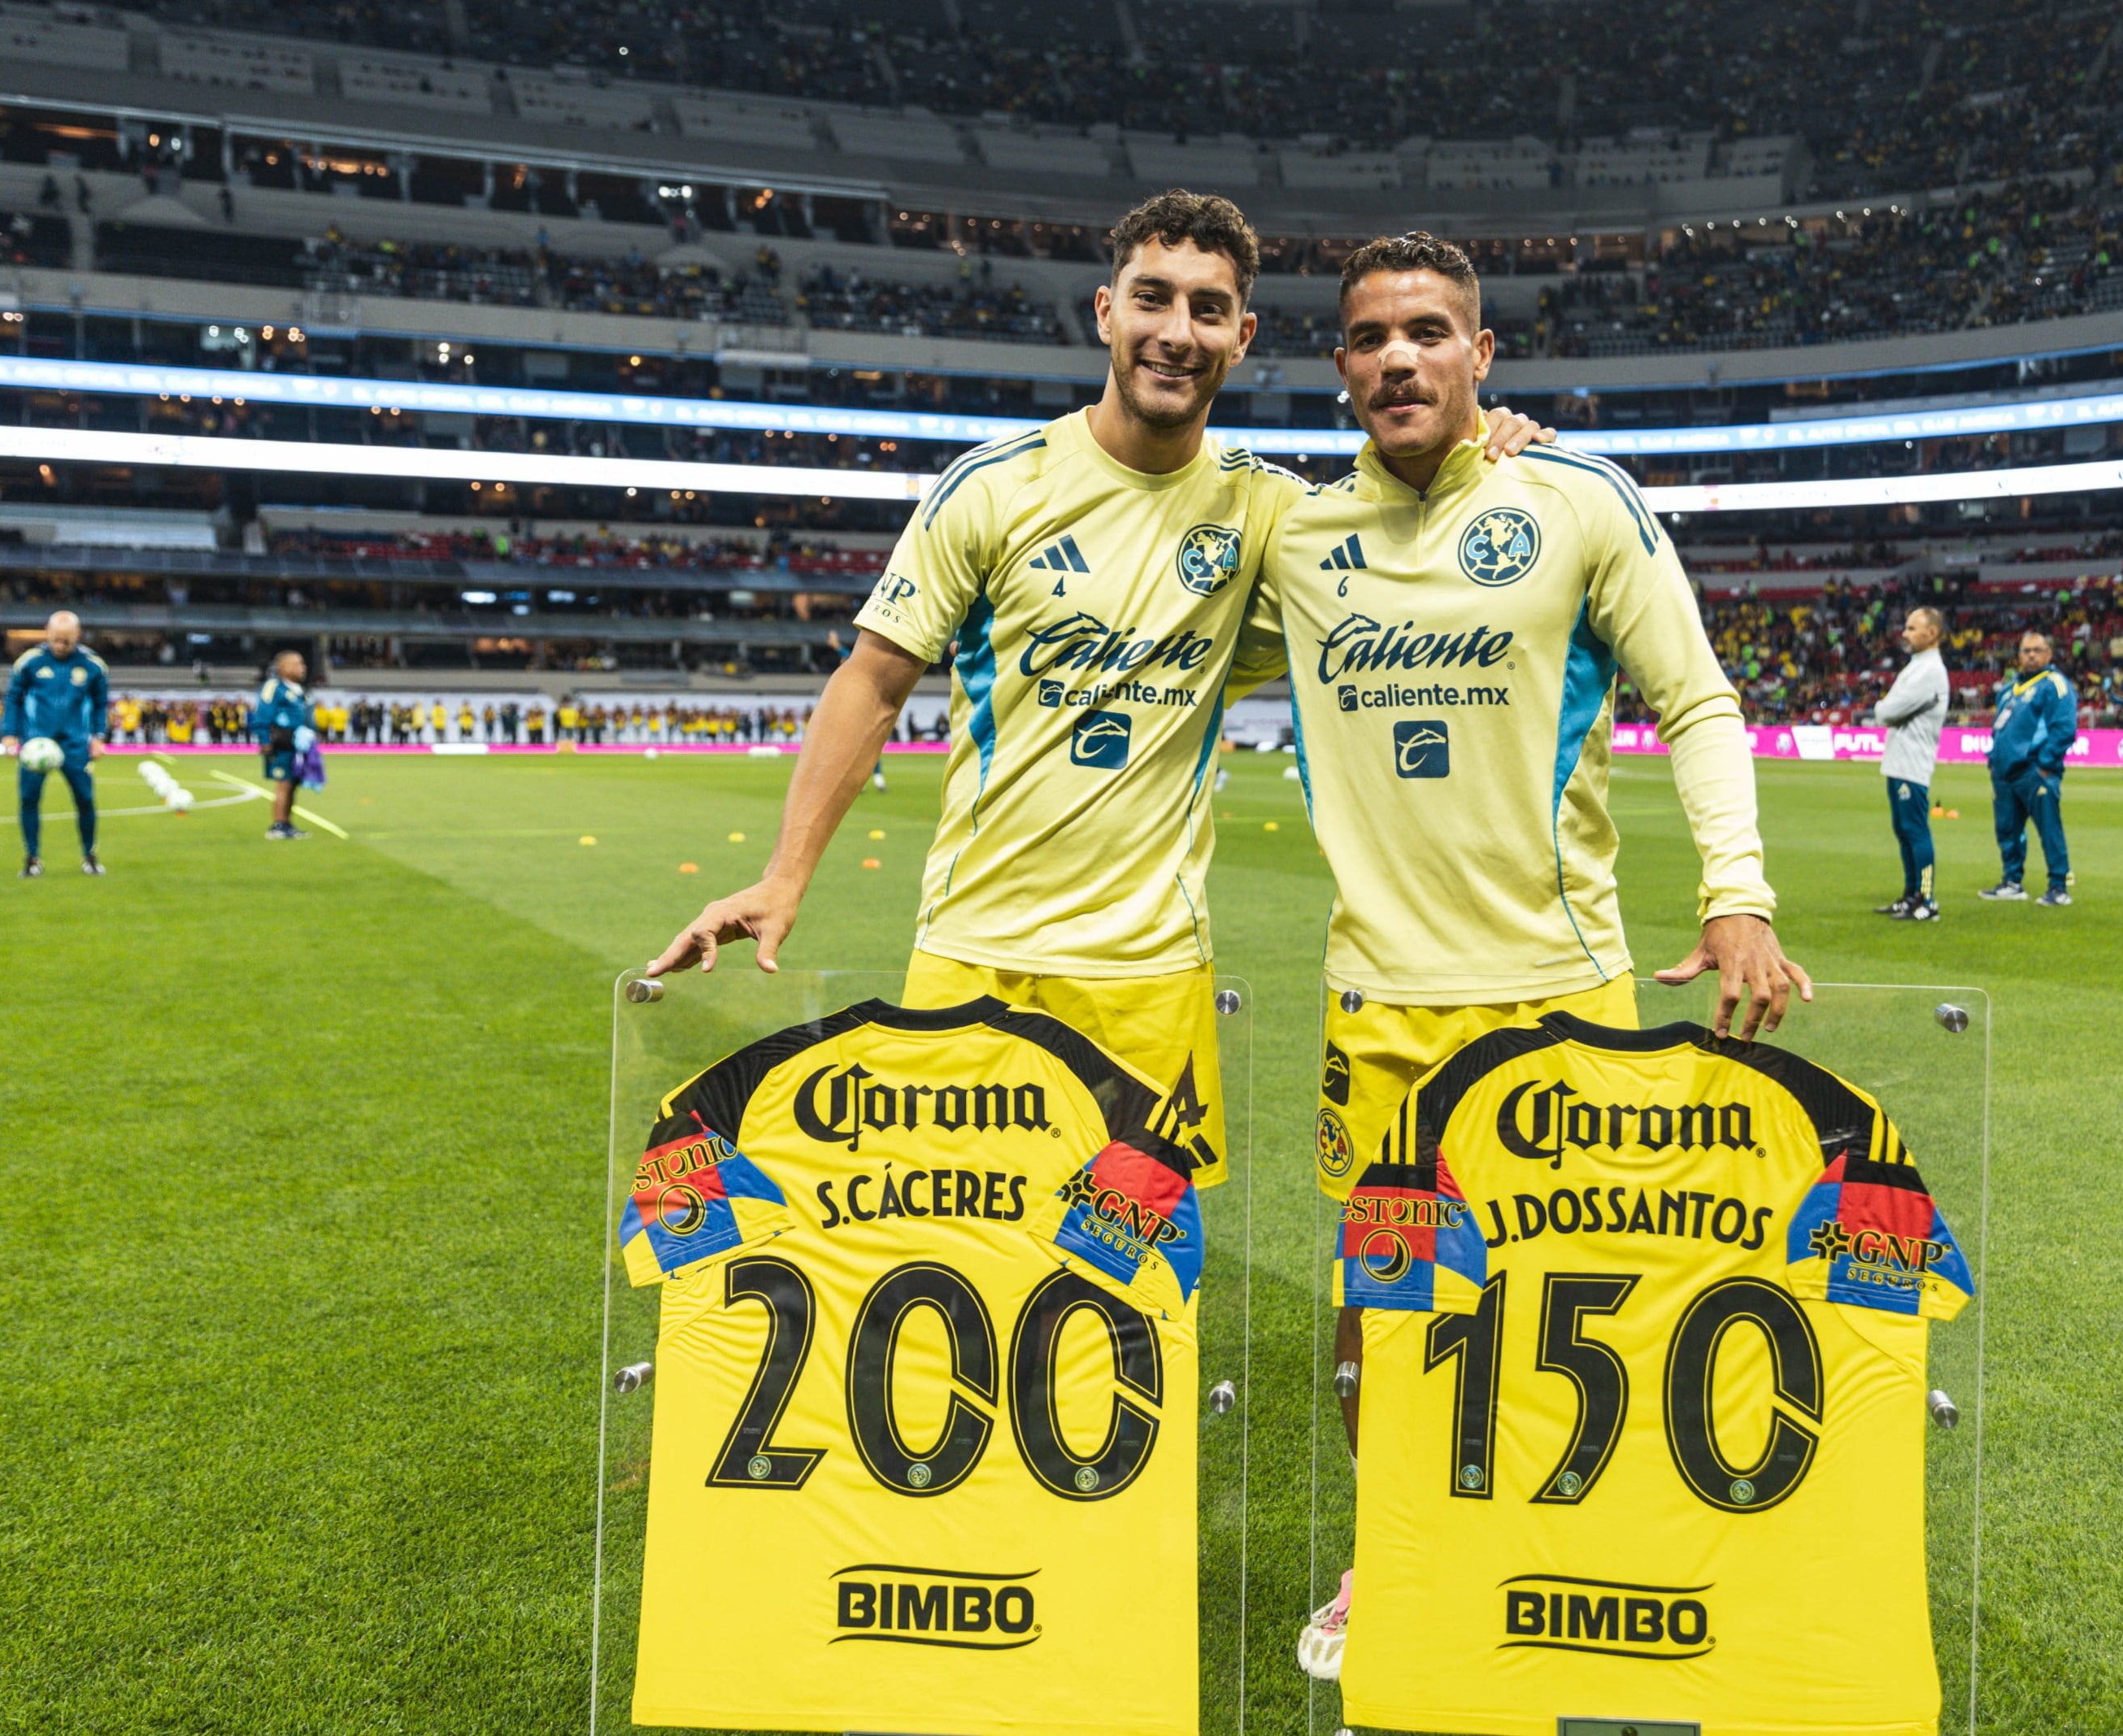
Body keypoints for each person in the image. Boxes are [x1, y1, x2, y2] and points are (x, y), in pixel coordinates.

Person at [646, 191, 1547, 1173]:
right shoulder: (996, 487)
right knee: (960, 1264)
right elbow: (874, 679)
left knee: (1141, 1288)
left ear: (1241, 335)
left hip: (1152, 977)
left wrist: (1481, 449)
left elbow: (1412, 551)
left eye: (1207, 310)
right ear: (1105, 311)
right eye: (1152, 299)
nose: (1176, 332)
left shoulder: (1274, 514)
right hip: (975, 951)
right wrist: (784, 876)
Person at [1248, 230, 1809, 1682]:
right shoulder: (1293, 541)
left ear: (1482, 355)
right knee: (1380, 1325)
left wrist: (1736, 893)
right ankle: (1397, 1553)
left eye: (1430, 331)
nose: (1398, 358)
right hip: (1380, 1015)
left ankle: (1574, 1548)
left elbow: (1696, 700)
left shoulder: (1574, 500)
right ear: (1339, 371)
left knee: (1581, 1304)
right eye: (1371, 338)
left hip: (1566, 999)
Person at [3, 610, 111, 878]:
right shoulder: (30, 662)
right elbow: (13, 698)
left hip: (75, 746)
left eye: (67, 641)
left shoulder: (93, 665)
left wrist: (98, 736)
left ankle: (89, 856)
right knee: (29, 799)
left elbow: (100, 704)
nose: (60, 646)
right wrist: (9, 734)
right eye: (55, 640)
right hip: (36, 745)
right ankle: (32, 858)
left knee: (85, 799)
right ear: (47, 633)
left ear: (78, 636)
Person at [1981, 629, 2077, 907]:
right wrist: (1994, 759)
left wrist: (2045, 766)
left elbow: (2064, 729)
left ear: (2049, 654)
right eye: (2026, 651)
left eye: (2037, 650)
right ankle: (2012, 882)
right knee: (2007, 829)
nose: (2031, 655)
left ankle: (2058, 887)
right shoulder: (2010, 689)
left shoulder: (2055, 684)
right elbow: (2000, 727)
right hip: (2005, 772)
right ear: (2018, 656)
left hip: (2034, 771)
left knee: (2049, 829)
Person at [1873, 606, 1949, 920]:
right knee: (1904, 830)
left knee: (1915, 831)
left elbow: (1887, 712)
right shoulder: (1917, 666)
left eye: (1912, 628)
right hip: (1899, 763)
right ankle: (1910, 894)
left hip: (1912, 765)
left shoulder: (1929, 670)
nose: (1904, 633)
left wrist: (1882, 706)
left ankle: (1927, 899)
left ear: (1932, 633)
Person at [248, 648, 315, 839]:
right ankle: (278, 825)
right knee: (283, 784)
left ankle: (287, 824)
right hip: (281, 743)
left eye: (302, 663)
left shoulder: (301, 691)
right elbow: (263, 714)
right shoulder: (274, 687)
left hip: (299, 746)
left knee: (293, 784)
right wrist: (264, 740)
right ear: (283, 667)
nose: (303, 668)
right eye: (297, 664)